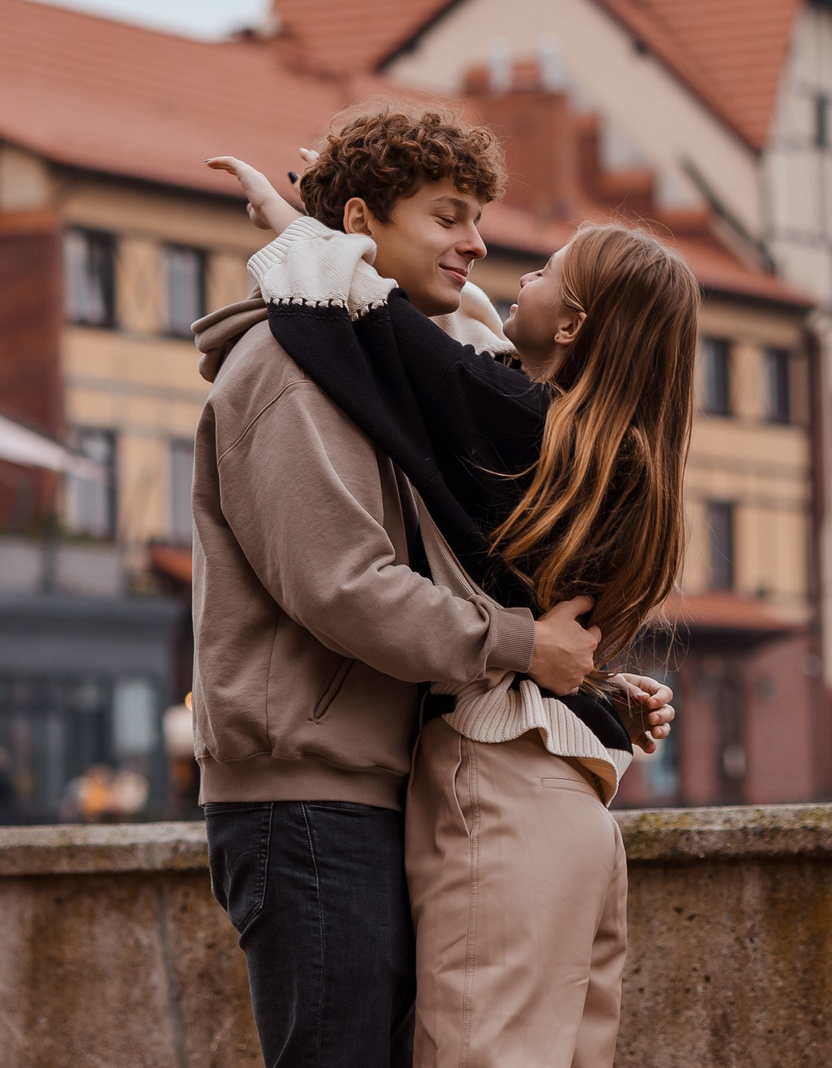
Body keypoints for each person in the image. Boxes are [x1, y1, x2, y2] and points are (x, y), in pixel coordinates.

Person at [187, 102, 674, 1068]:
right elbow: (344, 586)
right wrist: (521, 646)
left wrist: (594, 682)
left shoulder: (373, 369)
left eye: (479, 217)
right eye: (449, 216)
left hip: (376, 782)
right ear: (364, 226)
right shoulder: (291, 368)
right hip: (310, 795)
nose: (477, 242)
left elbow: (460, 384)